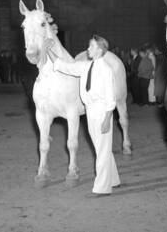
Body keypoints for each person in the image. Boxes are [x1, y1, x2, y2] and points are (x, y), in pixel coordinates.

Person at [45, 35, 120, 195]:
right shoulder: (86, 66)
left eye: (91, 46)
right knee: (102, 147)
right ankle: (113, 179)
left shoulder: (106, 70)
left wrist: (107, 118)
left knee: (101, 149)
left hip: (101, 111)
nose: (88, 49)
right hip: (89, 110)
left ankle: (102, 188)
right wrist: (48, 49)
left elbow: (110, 97)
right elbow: (62, 66)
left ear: (100, 50)